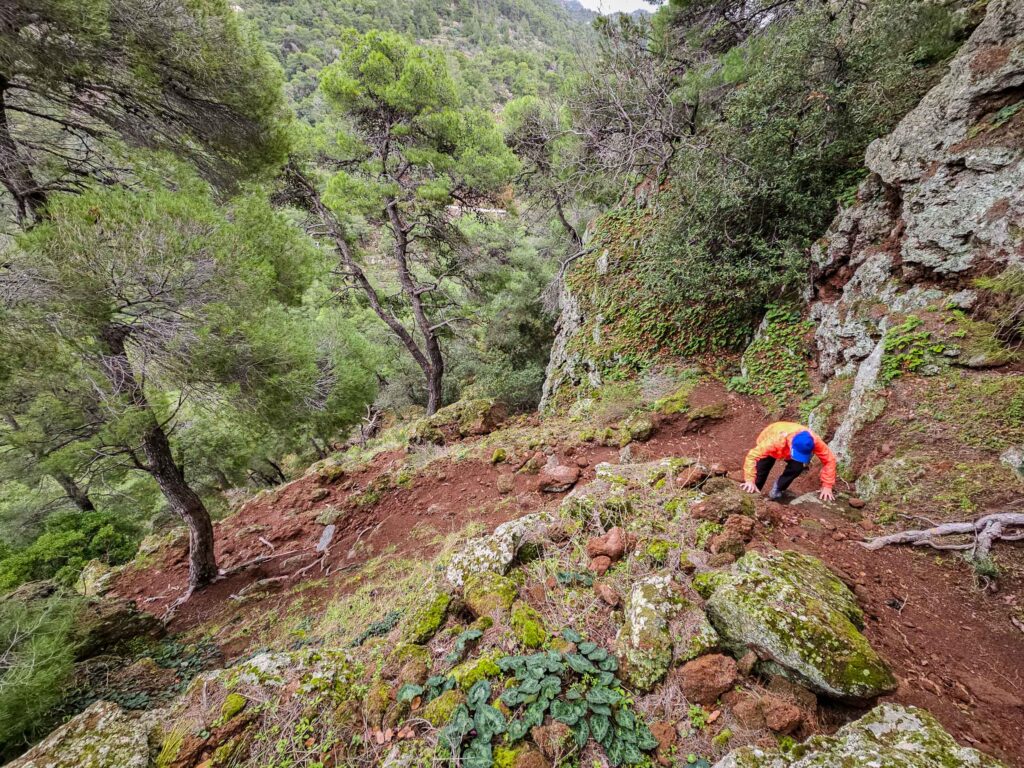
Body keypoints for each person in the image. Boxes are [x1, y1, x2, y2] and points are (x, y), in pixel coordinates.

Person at [741, 421, 836, 502]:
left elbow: (829, 460)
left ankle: (778, 488)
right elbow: (752, 456)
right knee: (760, 472)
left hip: (788, 446)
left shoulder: (814, 441)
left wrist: (827, 485)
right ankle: (753, 496)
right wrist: (749, 480)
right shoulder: (774, 441)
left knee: (797, 467)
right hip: (772, 438)